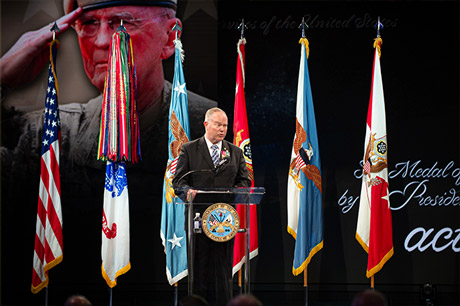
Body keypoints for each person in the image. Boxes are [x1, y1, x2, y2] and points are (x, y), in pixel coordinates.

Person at [0, 0, 216, 295]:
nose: (101, 41)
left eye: (121, 23)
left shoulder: (212, 128)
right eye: (88, 24)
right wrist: (2, 78)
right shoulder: (43, 138)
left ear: (170, 37)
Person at [173, 107, 251, 306]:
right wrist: (187, 192)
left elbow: (244, 182)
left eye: (225, 125)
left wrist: (236, 192)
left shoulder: (235, 151)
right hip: (198, 220)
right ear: (206, 124)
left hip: (224, 220)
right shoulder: (189, 149)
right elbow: (178, 183)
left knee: (223, 270)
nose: (222, 129)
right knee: (200, 270)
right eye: (218, 125)